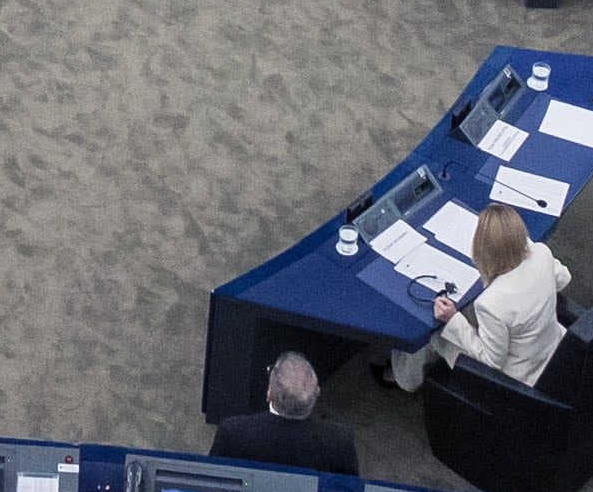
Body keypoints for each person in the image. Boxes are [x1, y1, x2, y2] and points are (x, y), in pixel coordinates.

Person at [391, 203, 567, 392]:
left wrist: (452, 320)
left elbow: (492, 362)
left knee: (435, 336)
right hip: (549, 348)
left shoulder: (492, 303)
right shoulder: (542, 252)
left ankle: (403, 378)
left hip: (518, 377)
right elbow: (563, 279)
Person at [208, 348, 358, 476]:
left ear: (269, 393)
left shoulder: (233, 432)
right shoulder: (340, 442)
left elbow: (212, 479)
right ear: (316, 394)